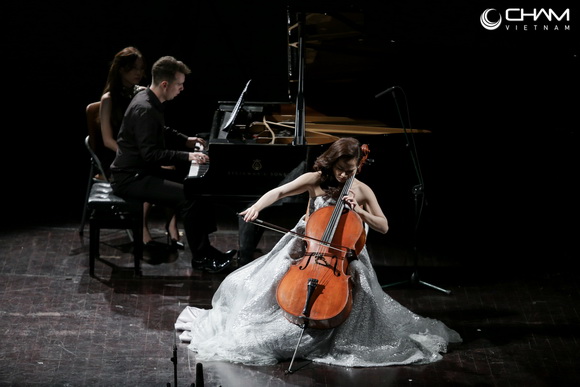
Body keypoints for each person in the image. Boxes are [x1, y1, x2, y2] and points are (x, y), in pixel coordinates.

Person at [175, 137, 461, 367]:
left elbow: (384, 225)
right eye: (340, 169)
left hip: (343, 256)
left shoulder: (360, 190)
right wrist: (257, 207)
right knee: (249, 283)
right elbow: (279, 192)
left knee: (356, 296)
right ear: (332, 161)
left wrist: (358, 210)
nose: (344, 175)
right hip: (308, 247)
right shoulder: (315, 179)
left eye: (350, 171)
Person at [110, 55, 236, 273]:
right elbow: (151, 155)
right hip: (130, 178)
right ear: (165, 84)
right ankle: (201, 258)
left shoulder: (151, 101)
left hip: (142, 171)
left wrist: (185, 140)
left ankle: (206, 250)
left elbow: (161, 130)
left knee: (197, 189)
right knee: (189, 199)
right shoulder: (145, 108)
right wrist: (187, 156)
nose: (182, 89)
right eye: (179, 84)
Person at [99, 46, 181, 248]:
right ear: (121, 70)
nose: (139, 73)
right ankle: (143, 228)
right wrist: (130, 155)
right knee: (149, 173)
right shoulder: (108, 99)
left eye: (141, 68)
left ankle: (171, 225)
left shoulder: (143, 93)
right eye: (133, 68)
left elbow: (156, 130)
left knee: (170, 170)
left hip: (140, 153)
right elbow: (107, 139)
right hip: (118, 156)